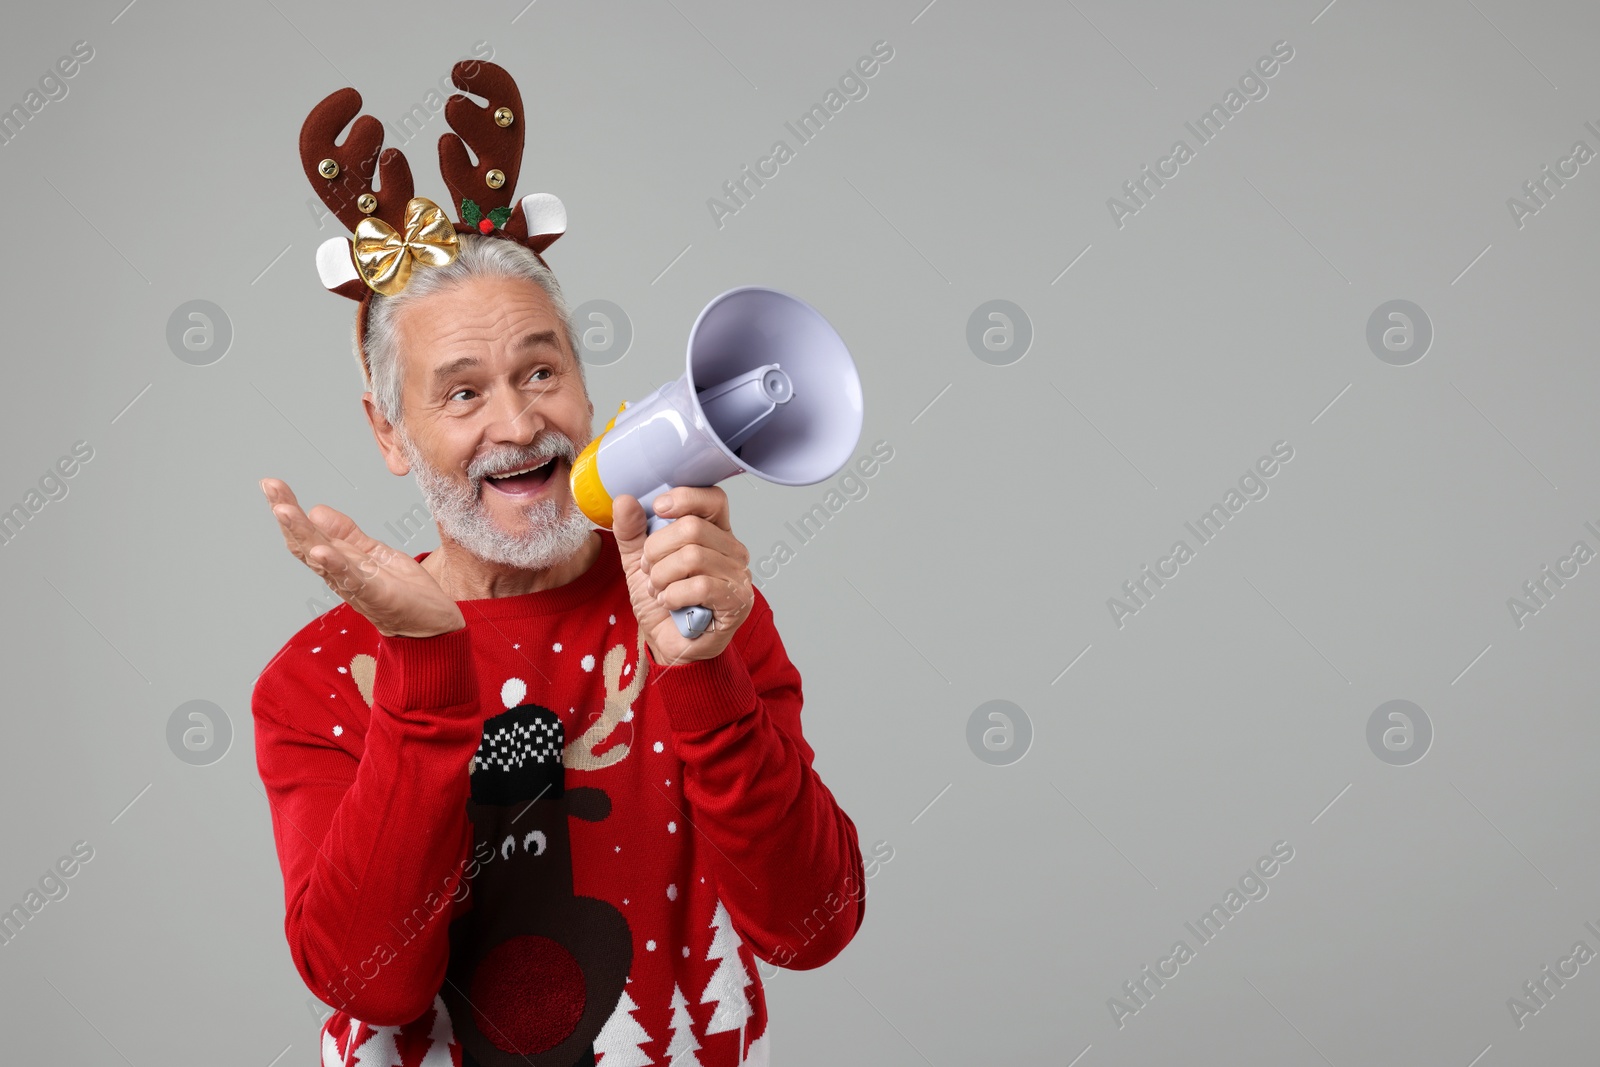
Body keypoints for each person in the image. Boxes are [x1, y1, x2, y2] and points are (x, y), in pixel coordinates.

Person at [253, 62, 865, 1067]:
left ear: (585, 384)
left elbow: (813, 927)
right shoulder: (317, 680)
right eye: (460, 394)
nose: (519, 422)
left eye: (542, 369)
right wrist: (418, 665)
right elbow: (373, 980)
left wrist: (706, 669)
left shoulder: (700, 609)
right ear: (390, 431)